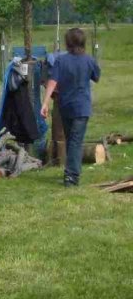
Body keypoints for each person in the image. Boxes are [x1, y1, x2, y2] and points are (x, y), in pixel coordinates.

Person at [41, 28, 100, 187]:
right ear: (83, 42)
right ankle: (72, 176)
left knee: (71, 141)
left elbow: (52, 82)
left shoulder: (61, 60)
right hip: (82, 107)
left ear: (68, 43)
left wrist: (46, 102)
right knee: (75, 141)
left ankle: (72, 173)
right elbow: (97, 77)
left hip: (64, 106)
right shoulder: (89, 60)